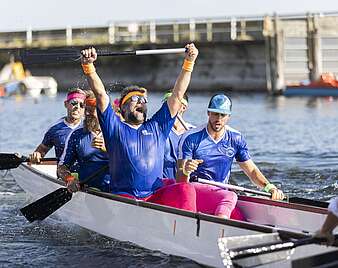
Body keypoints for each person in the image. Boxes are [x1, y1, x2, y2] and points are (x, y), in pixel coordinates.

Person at [79, 44, 238, 218]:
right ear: (123, 108)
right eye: (135, 99)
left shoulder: (156, 126)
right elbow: (101, 95)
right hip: (124, 197)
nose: (141, 102)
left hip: (155, 195)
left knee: (185, 188)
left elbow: (177, 96)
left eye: (144, 99)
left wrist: (189, 62)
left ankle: (188, 227)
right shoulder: (114, 127)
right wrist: (89, 66)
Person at [178, 94, 284, 207]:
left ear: (229, 116)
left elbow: (252, 171)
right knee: (231, 197)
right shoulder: (190, 138)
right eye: (215, 114)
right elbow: (179, 179)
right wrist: (185, 170)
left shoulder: (235, 138)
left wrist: (269, 187)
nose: (218, 119)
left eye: (222, 115)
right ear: (208, 113)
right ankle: (221, 222)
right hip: (195, 190)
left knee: (240, 205)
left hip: (221, 192)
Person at [57, 91, 111, 192]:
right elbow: (62, 167)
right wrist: (70, 179)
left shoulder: (116, 132)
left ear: (102, 110)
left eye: (91, 110)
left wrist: (108, 149)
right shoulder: (76, 135)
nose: (86, 113)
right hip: (89, 190)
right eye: (85, 108)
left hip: (116, 191)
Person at [29, 88, 86, 163]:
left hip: (87, 171)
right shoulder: (55, 129)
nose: (77, 107)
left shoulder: (90, 127)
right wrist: (37, 155)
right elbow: (41, 151)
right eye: (74, 103)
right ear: (66, 104)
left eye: (81, 105)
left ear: (85, 108)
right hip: (63, 171)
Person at [162, 91, 194, 179]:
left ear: (184, 107)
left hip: (185, 184)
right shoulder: (157, 130)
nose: (169, 106)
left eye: (174, 102)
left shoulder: (193, 132)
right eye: (167, 103)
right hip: (162, 185)